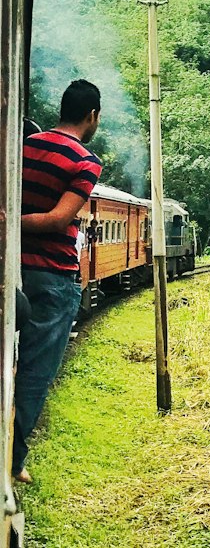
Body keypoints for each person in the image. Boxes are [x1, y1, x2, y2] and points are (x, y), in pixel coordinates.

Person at [14, 80, 102, 484]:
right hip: (52, 276)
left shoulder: (24, 145)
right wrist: (10, 224)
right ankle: (11, 460)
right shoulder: (85, 161)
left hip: (12, 270)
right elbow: (57, 220)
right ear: (92, 116)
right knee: (35, 372)